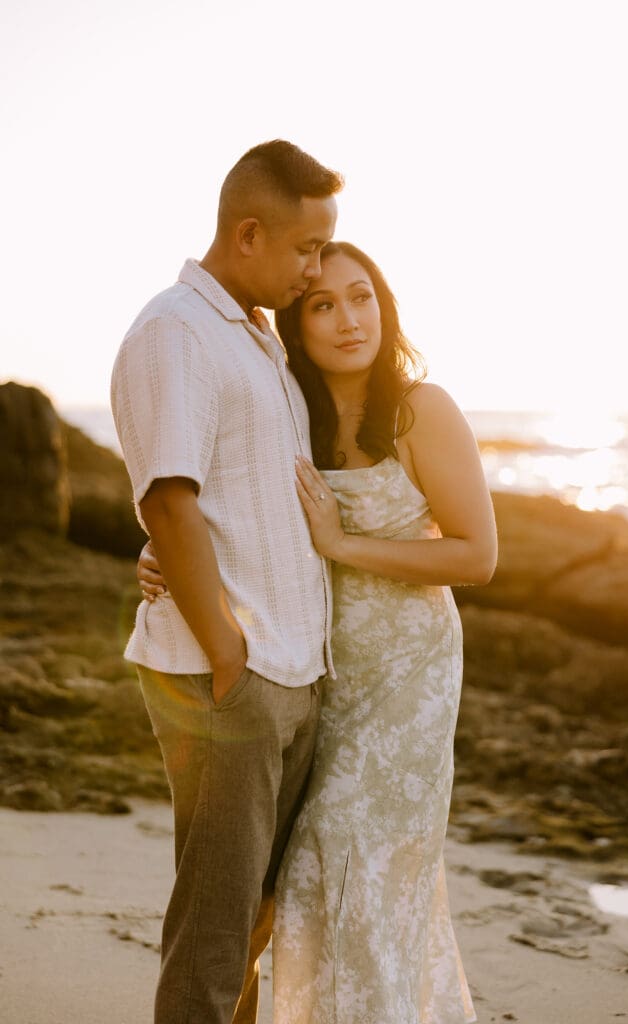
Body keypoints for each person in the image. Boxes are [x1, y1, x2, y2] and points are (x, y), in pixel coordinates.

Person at [140, 240, 497, 1022]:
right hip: (305, 662)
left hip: (405, 674)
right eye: (323, 305)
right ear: (295, 325)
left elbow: (476, 556)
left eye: (361, 297)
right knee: (273, 883)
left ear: (384, 305)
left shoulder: (420, 409)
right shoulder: (286, 411)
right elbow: (222, 502)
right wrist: (160, 548)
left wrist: (340, 544)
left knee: (349, 863)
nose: (348, 320)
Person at [110, 139, 343, 1024]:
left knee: (250, 924)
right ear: (248, 234)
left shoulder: (257, 339)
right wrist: (226, 653)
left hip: (290, 667)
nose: (314, 269)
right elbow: (168, 498)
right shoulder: (176, 330)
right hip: (233, 678)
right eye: (305, 249)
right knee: (214, 936)